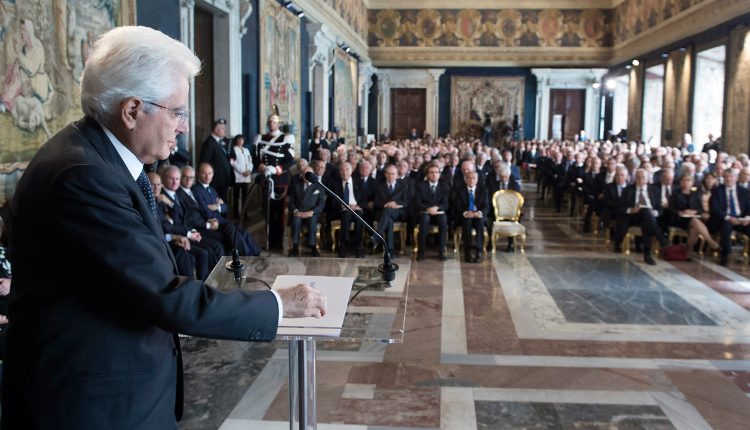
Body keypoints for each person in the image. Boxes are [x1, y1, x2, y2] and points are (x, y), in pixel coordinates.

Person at [1, 26, 326, 429]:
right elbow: (164, 295)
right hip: (95, 406)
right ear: (133, 109)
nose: (185, 126)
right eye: (178, 112)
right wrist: (279, 305)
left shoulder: (101, 159)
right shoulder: (82, 176)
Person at [254, 110, 295, 249]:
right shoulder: (261, 138)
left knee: (280, 213)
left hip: (280, 181)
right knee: (268, 212)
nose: (271, 124)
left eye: (274, 122)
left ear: (278, 124)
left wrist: (277, 169)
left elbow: (290, 161)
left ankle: (278, 242)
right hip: (266, 180)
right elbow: (256, 158)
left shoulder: (285, 139)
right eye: (270, 121)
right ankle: (270, 241)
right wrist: (260, 166)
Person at [288, 165, 326, 257]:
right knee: (295, 221)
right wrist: (296, 211)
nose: (306, 176)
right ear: (301, 175)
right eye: (304, 174)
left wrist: (311, 212)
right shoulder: (296, 184)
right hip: (299, 213)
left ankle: (313, 246)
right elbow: (291, 201)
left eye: (309, 174)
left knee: (312, 221)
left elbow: (321, 204)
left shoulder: (318, 186)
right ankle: (295, 247)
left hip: (312, 213)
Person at [451, 170, 489, 263]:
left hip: (478, 215)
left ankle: (478, 251)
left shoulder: (483, 190)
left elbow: (486, 206)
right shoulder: (460, 190)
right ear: (465, 179)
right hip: (465, 216)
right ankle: (467, 251)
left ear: (477, 179)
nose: (471, 180)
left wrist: (478, 213)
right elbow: (457, 206)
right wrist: (466, 213)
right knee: (466, 222)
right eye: (469, 178)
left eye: (473, 178)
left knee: (480, 222)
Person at [414, 164, 449, 261]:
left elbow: (446, 204)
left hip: (438, 213)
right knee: (424, 219)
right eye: (432, 172)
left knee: (443, 219)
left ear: (439, 174)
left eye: (436, 172)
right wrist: (428, 209)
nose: (434, 175)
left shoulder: (444, 186)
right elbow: (417, 202)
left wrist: (437, 208)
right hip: (424, 212)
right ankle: (421, 252)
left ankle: (441, 251)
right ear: (427, 175)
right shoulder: (420, 186)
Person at [199, 118, 234, 201]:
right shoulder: (209, 143)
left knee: (223, 206)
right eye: (222, 128)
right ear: (215, 129)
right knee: (217, 206)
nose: (224, 130)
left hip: (223, 182)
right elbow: (204, 163)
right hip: (215, 183)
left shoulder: (220, 142)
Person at [230, 134, 254, 218]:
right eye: (239, 139)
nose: (241, 141)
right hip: (238, 176)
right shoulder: (233, 149)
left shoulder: (246, 150)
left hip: (246, 177)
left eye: (242, 139)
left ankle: (245, 213)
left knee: (245, 196)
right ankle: (236, 214)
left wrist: (249, 170)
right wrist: (242, 171)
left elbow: (250, 161)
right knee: (236, 197)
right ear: (236, 140)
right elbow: (232, 162)